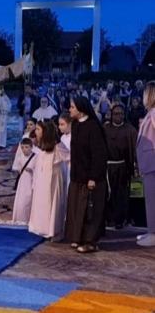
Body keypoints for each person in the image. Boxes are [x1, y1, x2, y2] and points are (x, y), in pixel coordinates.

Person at [65, 96, 108, 253]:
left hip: (90, 177)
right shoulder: (76, 125)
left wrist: (93, 177)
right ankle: (78, 237)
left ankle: (90, 241)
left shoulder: (93, 127)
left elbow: (99, 154)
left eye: (72, 107)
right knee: (77, 208)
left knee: (90, 210)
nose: (70, 109)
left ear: (81, 109)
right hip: (77, 176)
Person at [28, 120, 68, 240]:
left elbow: (70, 158)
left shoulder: (58, 147)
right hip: (42, 180)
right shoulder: (42, 147)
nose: (36, 131)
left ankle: (54, 230)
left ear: (46, 132)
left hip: (54, 181)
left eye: (39, 129)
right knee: (42, 202)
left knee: (53, 203)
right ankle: (43, 228)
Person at [104, 104, 137, 229]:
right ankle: (109, 219)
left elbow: (134, 149)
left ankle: (119, 220)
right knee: (108, 194)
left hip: (122, 166)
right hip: (108, 166)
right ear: (111, 115)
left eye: (121, 113)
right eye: (116, 113)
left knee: (121, 194)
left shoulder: (130, 130)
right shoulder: (105, 129)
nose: (119, 116)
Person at [136, 81, 155, 247]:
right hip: (149, 164)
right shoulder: (151, 113)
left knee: (152, 200)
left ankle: (153, 233)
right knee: (150, 199)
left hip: (153, 164)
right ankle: (151, 230)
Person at [12, 137, 36, 223]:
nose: (24, 150)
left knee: (29, 199)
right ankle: (20, 218)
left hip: (31, 181)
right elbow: (19, 169)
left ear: (31, 147)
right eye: (22, 147)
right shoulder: (20, 158)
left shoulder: (35, 157)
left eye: (26, 147)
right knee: (21, 200)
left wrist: (32, 170)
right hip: (22, 182)